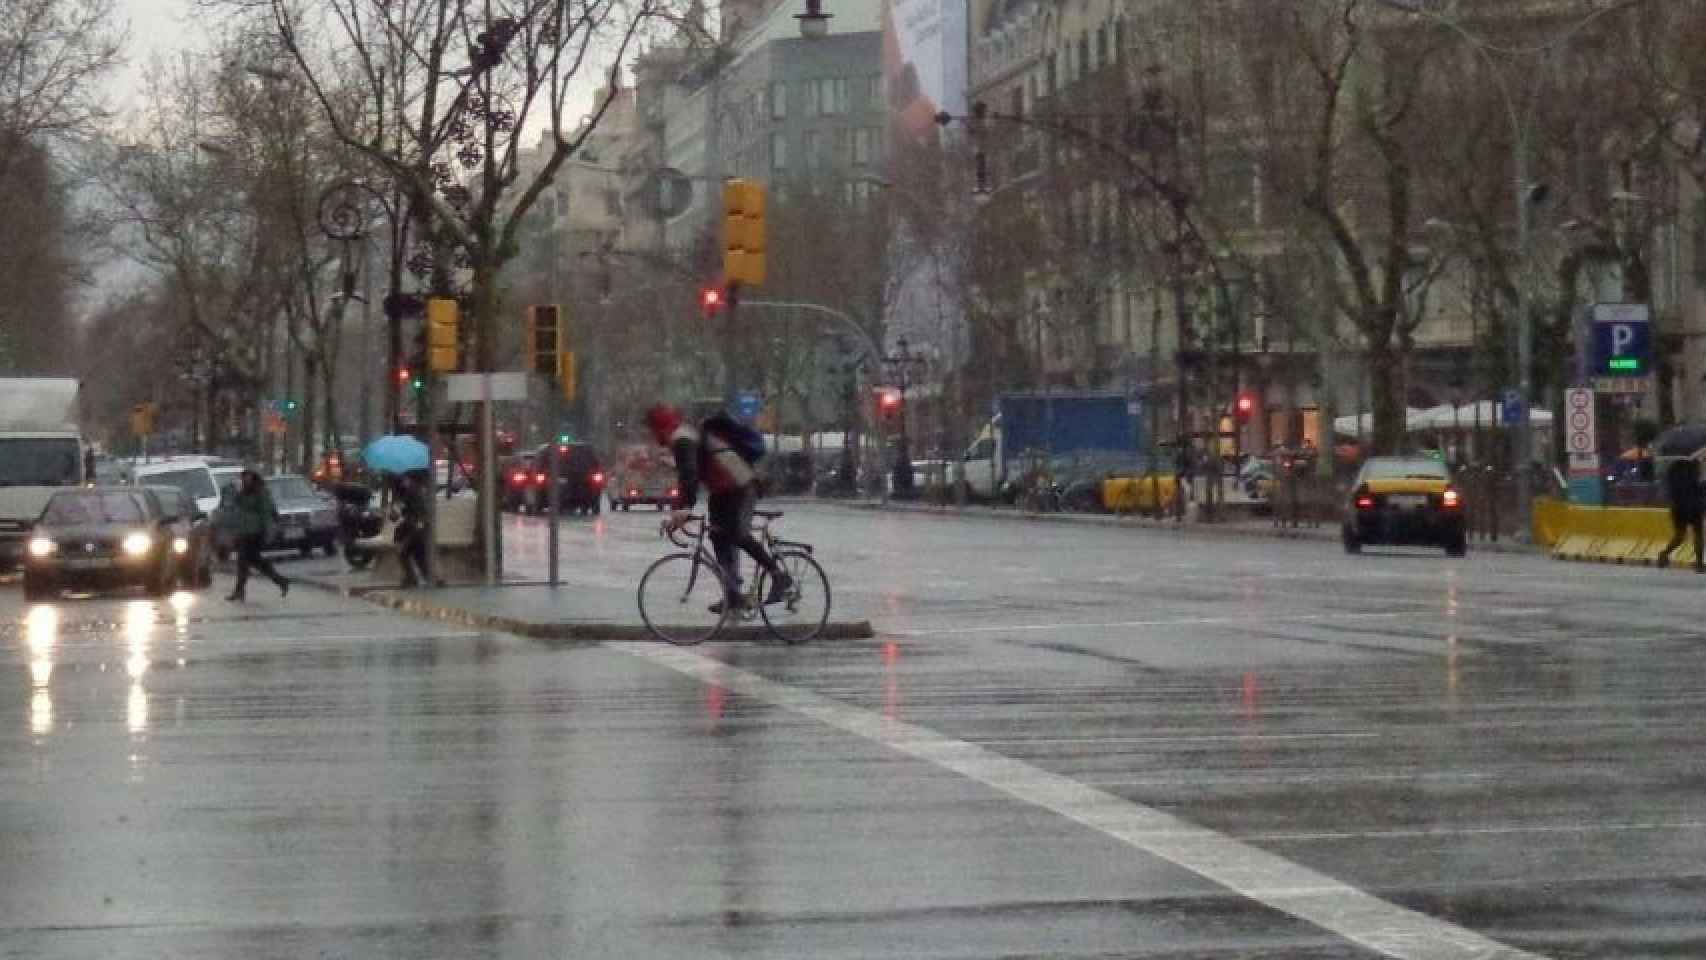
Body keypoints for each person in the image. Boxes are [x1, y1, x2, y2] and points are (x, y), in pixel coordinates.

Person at [645, 404, 791, 613]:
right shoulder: (683, 436)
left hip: (740, 485)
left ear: (658, 428)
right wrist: (680, 508)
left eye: (651, 431)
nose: (652, 437)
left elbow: (689, 475)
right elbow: (688, 476)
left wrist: (684, 508)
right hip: (721, 490)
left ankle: (778, 575)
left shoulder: (682, 438)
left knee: (737, 533)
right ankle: (732, 595)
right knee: (717, 536)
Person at [225, 469, 289, 602]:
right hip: (244, 531)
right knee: (252, 561)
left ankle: (240, 591)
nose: (246, 480)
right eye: (244, 477)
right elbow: (236, 504)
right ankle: (280, 581)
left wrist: (267, 531)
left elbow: (266, 512)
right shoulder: (243, 492)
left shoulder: (260, 491)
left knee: (245, 561)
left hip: (255, 532)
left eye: (248, 477)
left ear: (254, 477)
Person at [1657, 457, 1705, 572]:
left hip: (1678, 508)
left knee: (1679, 536)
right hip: (1694, 507)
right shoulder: (1695, 471)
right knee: (1698, 534)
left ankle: (1664, 553)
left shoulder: (1673, 472)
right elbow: (1701, 489)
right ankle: (1699, 563)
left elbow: (1668, 490)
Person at [393, 470, 432, 588]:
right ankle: (425, 577)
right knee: (417, 555)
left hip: (414, 528)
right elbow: (397, 514)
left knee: (405, 552)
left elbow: (400, 513)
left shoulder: (411, 491)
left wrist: (397, 511)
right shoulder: (411, 490)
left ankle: (412, 578)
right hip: (415, 527)